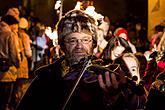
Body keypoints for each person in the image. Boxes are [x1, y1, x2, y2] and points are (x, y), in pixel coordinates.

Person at [15, 10, 145, 110]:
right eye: (72, 40)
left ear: (93, 43)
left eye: (85, 40)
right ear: (62, 45)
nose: (79, 46)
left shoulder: (106, 73)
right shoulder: (46, 76)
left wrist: (113, 99)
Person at [0, 15, 20, 110]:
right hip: (7, 71)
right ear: (10, 24)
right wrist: (17, 64)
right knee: (6, 101)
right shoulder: (9, 34)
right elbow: (13, 53)